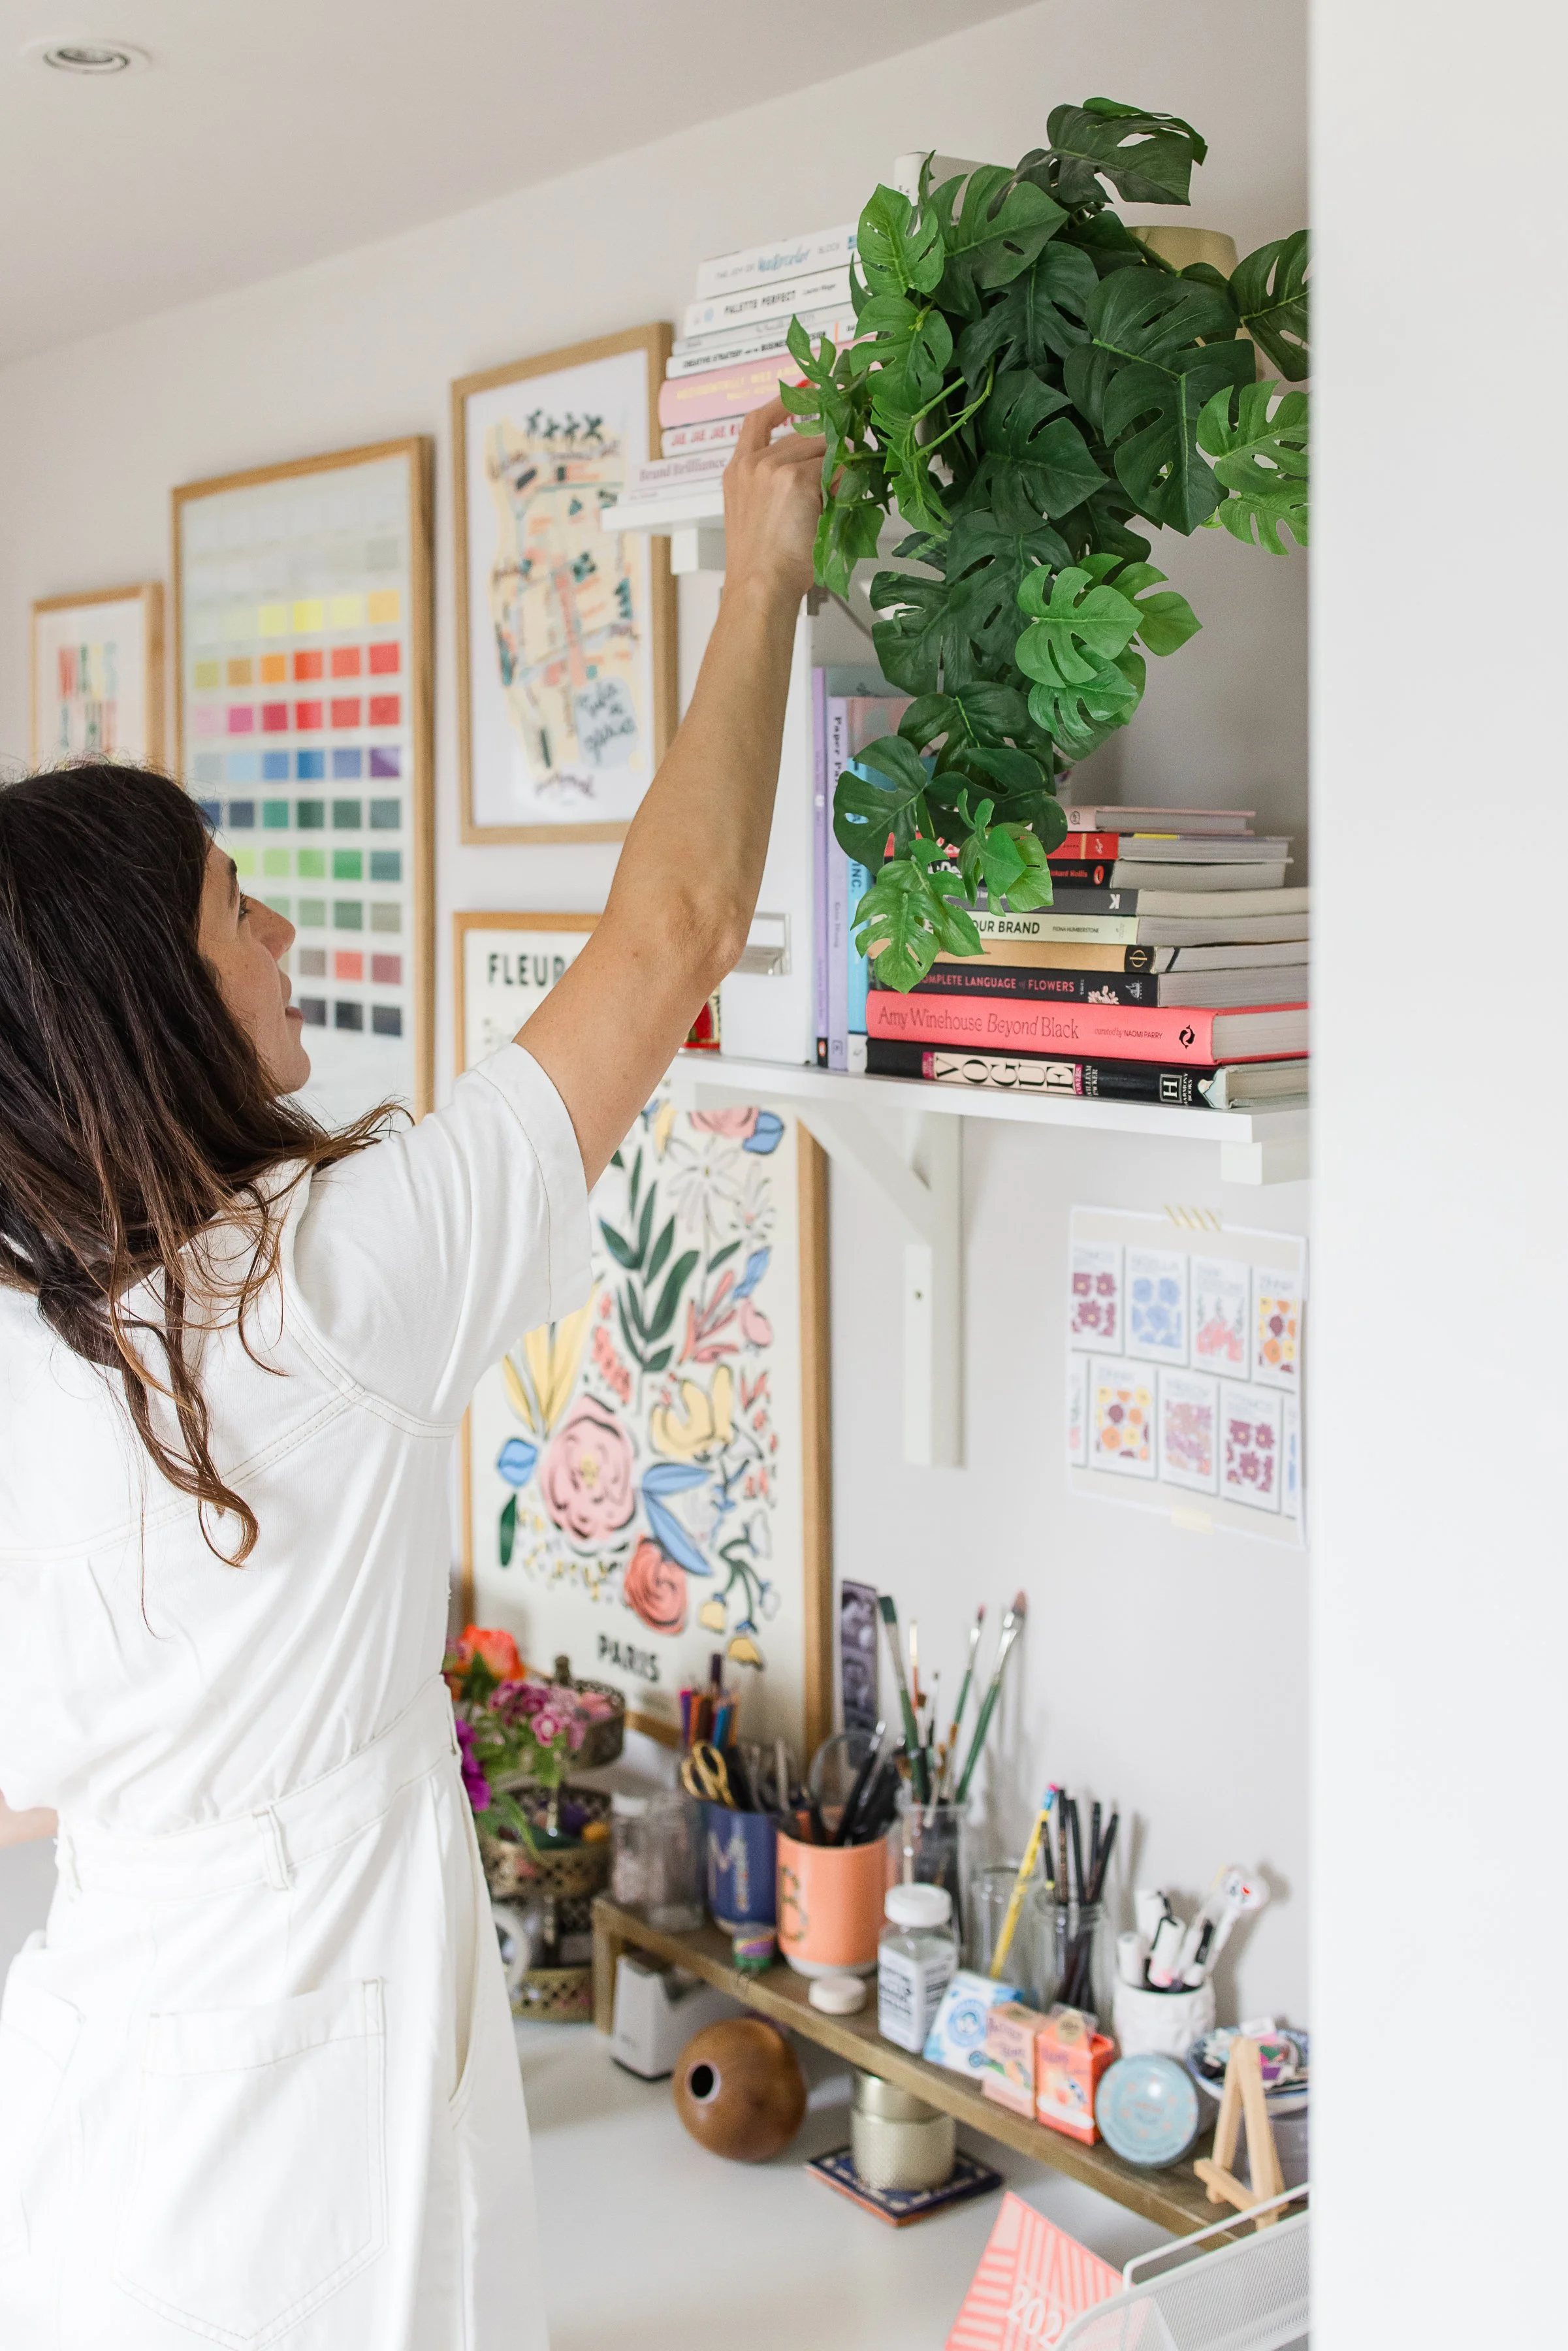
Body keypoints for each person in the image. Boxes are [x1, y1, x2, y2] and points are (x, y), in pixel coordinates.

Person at [0, 399, 824, 2350]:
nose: (282, 930)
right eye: (237, 908)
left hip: (100, 2096)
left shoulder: (43, 1315)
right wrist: (766, 565)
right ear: (156, 1001)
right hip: (291, 2135)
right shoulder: (315, 1294)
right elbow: (675, 936)